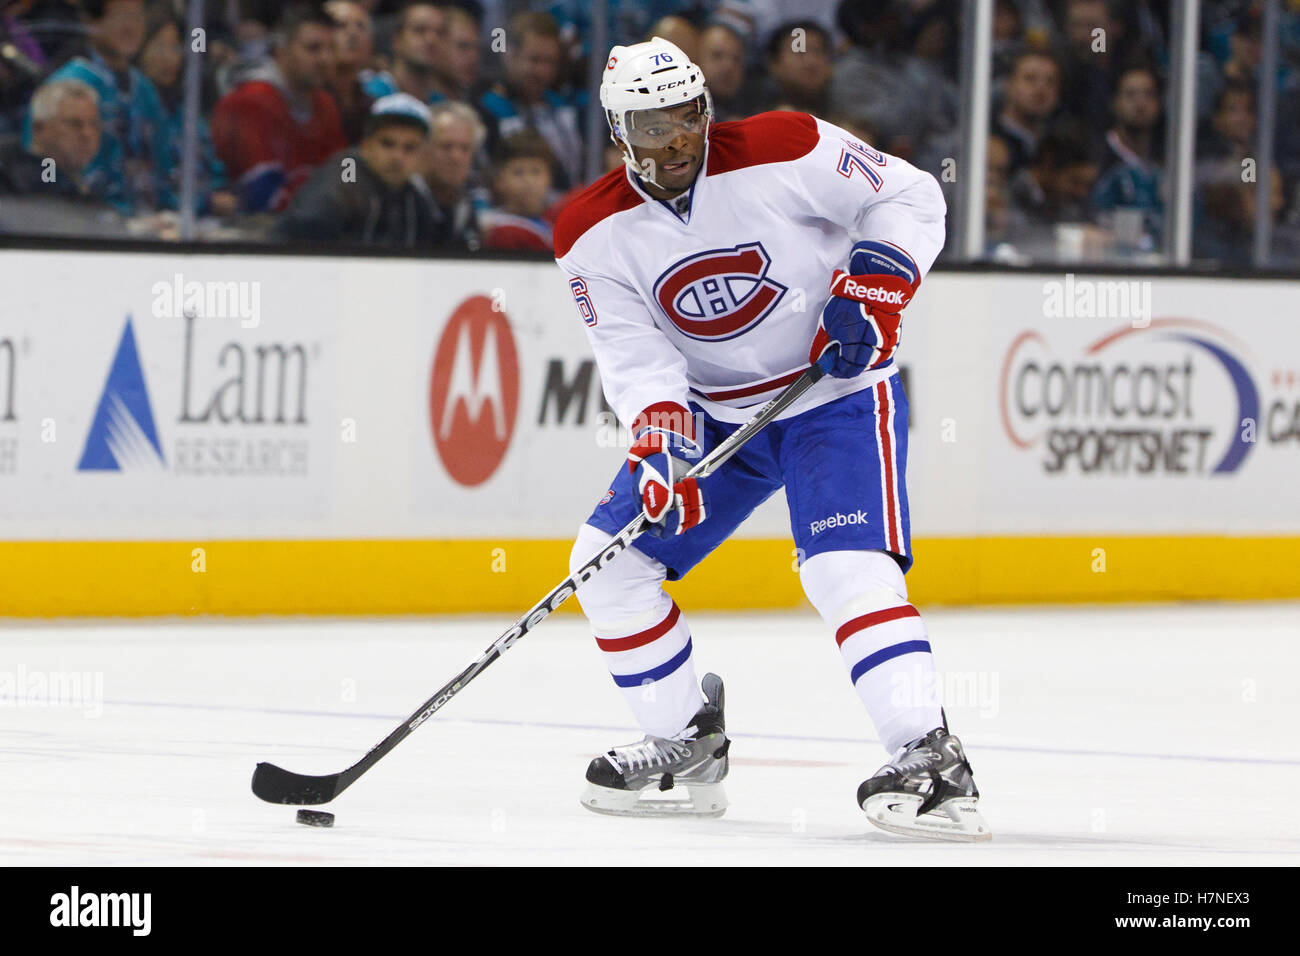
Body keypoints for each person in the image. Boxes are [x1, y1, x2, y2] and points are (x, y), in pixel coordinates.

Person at [552, 37, 988, 841]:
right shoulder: (589, 232)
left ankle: (929, 756)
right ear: (619, 133)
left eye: (686, 117)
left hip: (833, 396)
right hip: (719, 417)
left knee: (842, 568)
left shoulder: (785, 145)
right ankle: (686, 740)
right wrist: (659, 443)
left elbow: (910, 195)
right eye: (651, 127)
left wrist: (876, 283)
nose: (676, 138)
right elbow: (635, 353)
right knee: (606, 564)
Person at [212, 3, 347, 213]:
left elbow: (343, 176)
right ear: (281, 52)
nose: (325, 59)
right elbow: (262, 199)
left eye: (331, 49)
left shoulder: (325, 103)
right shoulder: (249, 101)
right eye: (313, 48)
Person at [40, 0, 170, 215]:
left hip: (149, 227)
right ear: (91, 21)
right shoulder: (65, 86)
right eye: (120, 16)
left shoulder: (145, 90)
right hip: (83, 226)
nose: (131, 27)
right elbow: (45, 170)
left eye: (137, 16)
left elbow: (162, 163)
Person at [274, 92, 438, 246]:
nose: (397, 156)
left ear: (422, 156)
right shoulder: (348, 169)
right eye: (387, 144)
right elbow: (330, 198)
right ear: (366, 145)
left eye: (409, 148)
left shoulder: (415, 196)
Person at [135, 7, 236, 218]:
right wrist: (206, 202)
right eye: (160, 48)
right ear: (140, 49)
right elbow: (149, 183)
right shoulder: (135, 109)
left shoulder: (186, 112)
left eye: (175, 48)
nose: (169, 58)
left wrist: (219, 193)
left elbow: (212, 166)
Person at [478, 11, 583, 190]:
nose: (542, 72)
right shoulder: (487, 110)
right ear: (510, 55)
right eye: (535, 60)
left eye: (550, 62)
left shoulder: (565, 109)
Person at [422, 100, 482, 250]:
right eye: (446, 146)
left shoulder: (467, 206)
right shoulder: (404, 200)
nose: (456, 157)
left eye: (465, 148)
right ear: (424, 149)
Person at [480, 128, 554, 250]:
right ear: (499, 180)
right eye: (518, 172)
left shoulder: (550, 224)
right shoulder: (502, 231)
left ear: (549, 178)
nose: (528, 181)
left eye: (536, 171)